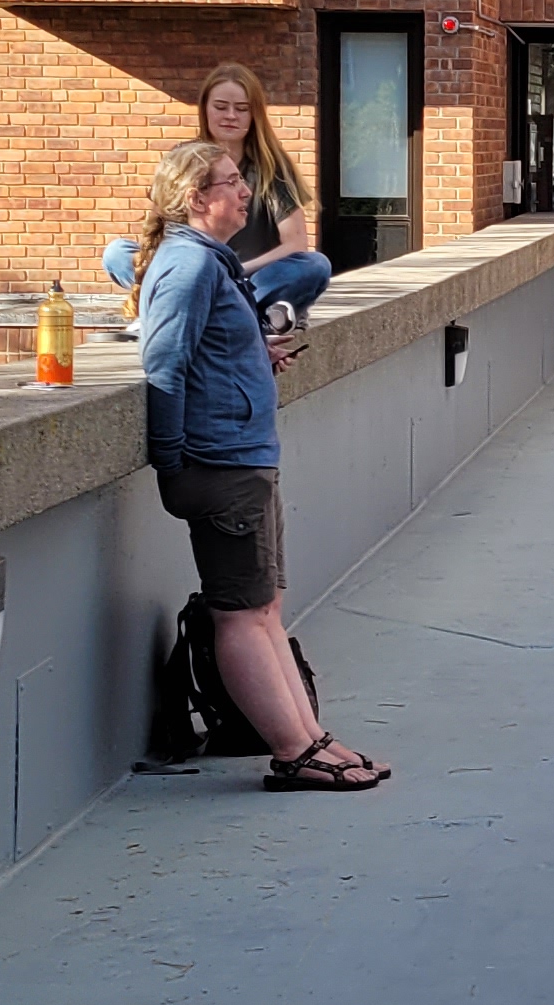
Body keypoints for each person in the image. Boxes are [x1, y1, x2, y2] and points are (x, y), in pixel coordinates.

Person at [134, 137, 390, 794]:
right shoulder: (189, 266)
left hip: (245, 457)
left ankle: (313, 739)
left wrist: (255, 355)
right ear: (196, 198)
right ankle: (292, 753)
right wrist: (172, 460)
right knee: (241, 615)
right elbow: (164, 367)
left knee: (266, 607)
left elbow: (209, 351)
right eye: (230, 182)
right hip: (218, 464)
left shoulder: (211, 263)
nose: (245, 191)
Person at [109, 66, 332, 328]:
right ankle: (221, 308)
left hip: (248, 276)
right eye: (221, 107)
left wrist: (233, 270)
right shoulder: (183, 159)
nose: (230, 116)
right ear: (204, 108)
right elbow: (158, 228)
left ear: (254, 114)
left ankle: (217, 306)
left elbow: (295, 244)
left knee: (315, 265)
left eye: (242, 108)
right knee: (116, 253)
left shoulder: (272, 167)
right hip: (189, 273)